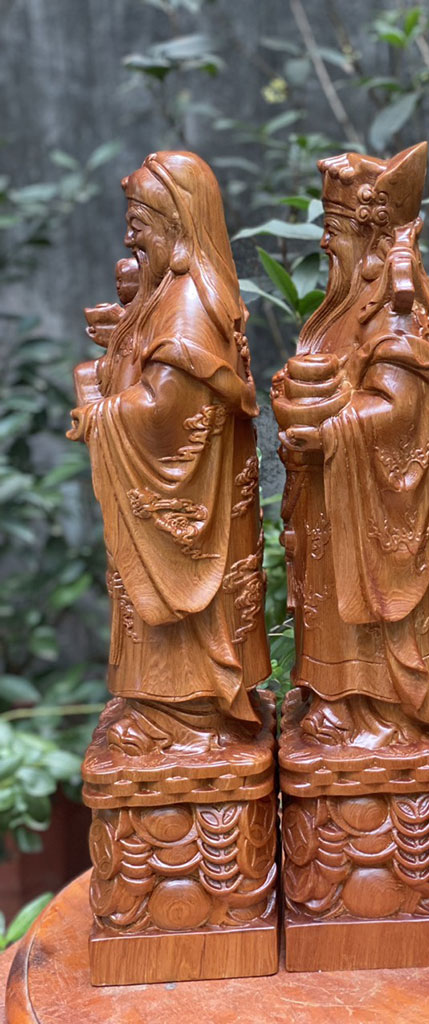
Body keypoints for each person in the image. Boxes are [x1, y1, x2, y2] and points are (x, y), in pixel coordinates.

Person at [68, 151, 270, 754]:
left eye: (139, 222)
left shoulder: (187, 307)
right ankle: (167, 709)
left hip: (183, 502)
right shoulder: (169, 294)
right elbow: (151, 366)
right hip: (183, 500)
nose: (129, 238)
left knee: (181, 615)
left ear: (177, 226)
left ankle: (186, 719)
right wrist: (121, 346)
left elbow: (164, 412)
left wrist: (97, 408)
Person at [271, 143, 429, 748]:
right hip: (334, 495)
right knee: (326, 595)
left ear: (371, 238)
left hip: (376, 496)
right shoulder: (349, 306)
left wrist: (329, 431)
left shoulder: (397, 312)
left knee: (375, 606)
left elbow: (402, 408)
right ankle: (338, 697)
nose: (325, 242)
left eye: (335, 230)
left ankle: (384, 713)